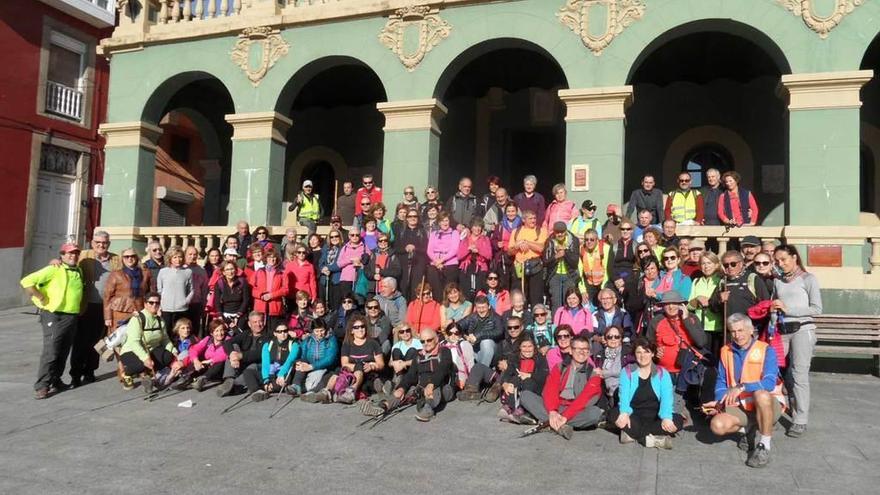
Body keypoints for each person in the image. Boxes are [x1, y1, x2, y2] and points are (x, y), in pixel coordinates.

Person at [704, 314, 786, 467]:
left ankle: (764, 445)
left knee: (760, 394)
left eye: (741, 330)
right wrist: (719, 401)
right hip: (741, 406)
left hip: (767, 403)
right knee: (717, 426)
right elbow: (722, 381)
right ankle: (750, 427)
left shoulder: (766, 350)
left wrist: (742, 387)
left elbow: (768, 383)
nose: (737, 335)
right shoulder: (725, 351)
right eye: (733, 331)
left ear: (750, 330)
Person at [21, 242, 84, 399]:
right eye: (69, 253)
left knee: (63, 349)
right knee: (51, 350)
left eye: (76, 253)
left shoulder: (79, 270)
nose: (73, 256)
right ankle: (42, 385)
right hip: (53, 314)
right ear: (61, 255)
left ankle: (56, 380)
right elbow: (27, 281)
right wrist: (40, 296)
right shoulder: (54, 269)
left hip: (71, 315)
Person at [772, 244, 822, 438]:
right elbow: (777, 307)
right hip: (782, 331)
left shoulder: (808, 279)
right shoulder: (778, 281)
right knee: (775, 371)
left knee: (799, 374)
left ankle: (800, 420)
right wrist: (774, 317)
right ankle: (775, 411)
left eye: (783, 259)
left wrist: (788, 309)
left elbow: (817, 309)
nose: (780, 263)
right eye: (777, 261)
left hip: (803, 330)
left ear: (794, 257)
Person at [520, 335, 604, 440]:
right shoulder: (560, 367)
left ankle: (551, 423)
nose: (582, 352)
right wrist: (552, 411)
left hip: (576, 409)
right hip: (556, 405)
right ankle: (560, 427)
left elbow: (584, 399)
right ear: (570, 351)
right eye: (577, 349)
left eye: (585, 349)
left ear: (589, 352)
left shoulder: (593, 373)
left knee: (595, 413)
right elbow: (550, 390)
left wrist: (565, 416)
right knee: (525, 395)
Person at [608, 337, 683, 449]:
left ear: (653, 353)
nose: (642, 356)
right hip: (633, 416)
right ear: (635, 354)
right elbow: (623, 396)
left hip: (655, 417)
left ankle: (632, 434)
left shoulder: (662, 373)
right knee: (613, 414)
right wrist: (624, 413)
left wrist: (666, 417)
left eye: (646, 352)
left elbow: (667, 399)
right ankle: (650, 440)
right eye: (639, 352)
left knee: (678, 420)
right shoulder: (627, 371)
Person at [68, 231, 119, 387]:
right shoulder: (84, 257)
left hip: (105, 308)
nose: (101, 245)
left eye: (104, 243)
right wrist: (54, 261)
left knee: (98, 341)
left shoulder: (116, 260)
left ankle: (90, 371)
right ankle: (75, 374)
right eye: (98, 242)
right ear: (92, 243)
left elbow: (134, 269)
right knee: (80, 341)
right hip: (86, 306)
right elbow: (67, 262)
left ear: (108, 244)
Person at [381, 328, 454, 422]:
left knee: (433, 389)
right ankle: (385, 406)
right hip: (422, 387)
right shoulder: (418, 354)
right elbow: (411, 375)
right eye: (423, 341)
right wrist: (401, 387)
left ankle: (428, 409)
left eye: (429, 340)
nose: (426, 343)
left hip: (442, 387)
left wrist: (432, 384)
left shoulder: (444, 351)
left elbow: (442, 370)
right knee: (404, 391)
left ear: (436, 339)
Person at [118, 292, 178, 394]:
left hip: (150, 349)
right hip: (131, 350)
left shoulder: (160, 320)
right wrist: (145, 358)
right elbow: (134, 342)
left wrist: (174, 351)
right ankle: (126, 373)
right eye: (151, 302)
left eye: (157, 303)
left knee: (168, 356)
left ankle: (147, 373)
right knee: (141, 365)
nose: (154, 305)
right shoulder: (137, 319)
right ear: (145, 304)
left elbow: (165, 339)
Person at [646, 291, 708, 381]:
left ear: (681, 305)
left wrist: (686, 320)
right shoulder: (656, 321)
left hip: (688, 372)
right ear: (663, 306)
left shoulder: (692, 318)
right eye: (667, 304)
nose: (671, 307)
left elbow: (701, 342)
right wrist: (655, 352)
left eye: (674, 303)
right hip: (663, 373)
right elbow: (648, 344)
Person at [323, 315, 385, 404]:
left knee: (361, 370)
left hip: (367, 374)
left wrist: (372, 367)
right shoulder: (347, 344)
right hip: (350, 373)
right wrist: (357, 367)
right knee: (338, 371)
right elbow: (344, 364)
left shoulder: (373, 343)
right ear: (352, 331)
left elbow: (381, 364)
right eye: (356, 327)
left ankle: (351, 391)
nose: (360, 329)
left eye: (362, 326)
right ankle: (326, 391)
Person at [216, 311, 271, 397]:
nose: (258, 324)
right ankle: (229, 379)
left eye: (260, 321)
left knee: (251, 368)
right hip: (241, 362)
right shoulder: (246, 333)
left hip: (258, 364)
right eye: (255, 322)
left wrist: (241, 356)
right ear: (249, 324)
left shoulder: (269, 336)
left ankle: (234, 385)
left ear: (264, 322)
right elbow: (227, 342)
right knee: (233, 347)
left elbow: (260, 353)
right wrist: (232, 354)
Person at [498, 338, 550, 424]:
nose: (527, 349)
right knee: (514, 380)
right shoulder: (515, 358)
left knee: (527, 381)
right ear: (520, 348)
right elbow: (507, 373)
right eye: (524, 346)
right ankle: (510, 407)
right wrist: (505, 383)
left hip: (535, 388)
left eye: (530, 346)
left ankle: (522, 409)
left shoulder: (540, 358)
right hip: (518, 385)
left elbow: (545, 375)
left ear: (534, 347)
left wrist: (530, 375)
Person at [103, 247, 152, 337]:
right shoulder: (116, 274)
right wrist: (108, 317)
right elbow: (107, 297)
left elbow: (151, 293)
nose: (130, 258)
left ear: (137, 257)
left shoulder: (146, 273)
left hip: (139, 311)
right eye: (126, 256)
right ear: (122, 259)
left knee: (137, 337)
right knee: (118, 339)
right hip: (120, 311)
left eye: (133, 256)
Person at [245, 323, 300, 402]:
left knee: (283, 381)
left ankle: (267, 388)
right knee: (248, 372)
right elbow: (265, 363)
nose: (283, 334)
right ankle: (258, 391)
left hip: (284, 372)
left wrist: (281, 374)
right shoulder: (268, 345)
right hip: (270, 372)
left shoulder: (293, 344)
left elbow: (289, 361)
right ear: (275, 333)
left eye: (285, 331)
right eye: (279, 332)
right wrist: (266, 379)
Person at [174, 318, 229, 391]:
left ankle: (202, 379)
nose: (220, 333)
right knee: (196, 357)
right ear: (212, 333)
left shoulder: (228, 340)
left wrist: (209, 361)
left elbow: (223, 355)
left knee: (220, 362)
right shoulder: (208, 339)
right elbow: (194, 349)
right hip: (206, 366)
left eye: (222, 330)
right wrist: (196, 360)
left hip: (219, 369)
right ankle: (188, 380)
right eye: (216, 331)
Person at [710, 250, 770, 317]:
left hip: (750, 325)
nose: (729, 267)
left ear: (741, 264)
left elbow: (765, 303)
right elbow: (713, 308)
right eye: (726, 265)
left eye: (733, 264)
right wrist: (719, 299)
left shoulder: (752, 278)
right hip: (729, 325)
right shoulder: (723, 282)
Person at [508, 210, 547, 306]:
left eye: (534, 218)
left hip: (535, 266)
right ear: (524, 220)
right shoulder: (516, 232)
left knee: (536, 296)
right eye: (530, 218)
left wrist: (526, 242)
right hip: (519, 266)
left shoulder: (541, 231)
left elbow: (541, 248)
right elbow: (510, 252)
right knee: (520, 296)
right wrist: (517, 246)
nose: (533, 220)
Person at [688, 252, 724, 357]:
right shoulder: (696, 281)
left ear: (716, 265)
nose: (706, 266)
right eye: (703, 263)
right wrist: (697, 300)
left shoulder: (721, 281)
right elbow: (689, 305)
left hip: (717, 327)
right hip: (700, 327)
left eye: (709, 263)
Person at [292, 319, 338, 395]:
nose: (319, 334)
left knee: (327, 377)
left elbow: (329, 359)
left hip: (326, 367)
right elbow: (302, 355)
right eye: (317, 331)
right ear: (313, 331)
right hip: (310, 365)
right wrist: (298, 363)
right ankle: (296, 385)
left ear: (325, 329)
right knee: (301, 363)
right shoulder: (308, 340)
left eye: (322, 331)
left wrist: (312, 366)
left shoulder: (331, 340)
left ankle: (313, 392)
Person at [156, 246, 193, 339]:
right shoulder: (163, 272)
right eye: (175, 257)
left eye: (180, 257)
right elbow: (159, 290)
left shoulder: (188, 272)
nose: (178, 260)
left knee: (180, 334)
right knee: (166, 332)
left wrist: (186, 301)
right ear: (170, 258)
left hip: (182, 309)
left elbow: (191, 289)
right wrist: (159, 307)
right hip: (166, 309)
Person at [544, 221, 580, 311]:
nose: (560, 234)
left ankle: (568, 323)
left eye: (562, 232)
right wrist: (556, 256)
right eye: (557, 232)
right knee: (556, 303)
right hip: (554, 275)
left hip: (569, 275)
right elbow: (545, 261)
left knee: (569, 302)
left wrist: (565, 253)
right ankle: (556, 324)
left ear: (566, 231)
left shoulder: (573, 240)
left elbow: (575, 262)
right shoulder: (549, 241)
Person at [457, 295, 504, 366]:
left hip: (492, 352)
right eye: (479, 308)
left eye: (483, 307)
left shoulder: (496, 318)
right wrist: (466, 337)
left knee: (486, 342)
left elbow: (499, 332)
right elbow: (458, 326)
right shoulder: (472, 317)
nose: (481, 310)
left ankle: (482, 372)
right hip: (475, 351)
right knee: (462, 344)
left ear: (489, 306)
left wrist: (478, 336)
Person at [394, 208, 428, 302]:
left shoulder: (422, 231)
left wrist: (415, 248)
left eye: (415, 216)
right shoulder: (401, 231)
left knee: (415, 289)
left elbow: (426, 248)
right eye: (410, 216)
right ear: (407, 218)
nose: (412, 218)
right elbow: (396, 248)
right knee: (403, 288)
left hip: (418, 264)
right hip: (403, 264)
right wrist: (405, 249)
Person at [252, 249, 288, 333]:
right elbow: (253, 288)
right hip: (260, 306)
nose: (272, 259)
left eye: (274, 257)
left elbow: (285, 290)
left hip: (274, 306)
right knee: (260, 331)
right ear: (266, 259)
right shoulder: (259, 272)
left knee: (273, 331)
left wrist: (272, 295)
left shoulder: (282, 273)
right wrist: (261, 295)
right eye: (269, 257)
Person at [426, 212, 461, 299]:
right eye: (442, 221)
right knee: (433, 278)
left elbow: (454, 249)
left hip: (450, 263)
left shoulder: (455, 233)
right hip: (435, 263)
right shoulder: (434, 234)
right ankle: (438, 303)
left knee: (449, 287)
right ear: (439, 222)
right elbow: (429, 250)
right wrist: (437, 262)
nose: (445, 223)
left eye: (446, 220)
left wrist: (442, 260)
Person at [594, 325, 629, 408]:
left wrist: (604, 373)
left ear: (621, 339)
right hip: (606, 393)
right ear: (605, 339)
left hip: (623, 392)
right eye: (610, 337)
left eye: (617, 337)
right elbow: (596, 372)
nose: (613, 339)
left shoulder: (627, 353)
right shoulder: (600, 354)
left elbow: (626, 372)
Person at [457, 218, 492, 299]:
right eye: (475, 226)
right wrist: (468, 250)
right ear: (471, 227)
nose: (477, 229)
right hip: (466, 268)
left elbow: (489, 255)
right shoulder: (465, 239)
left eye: (479, 226)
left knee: (479, 292)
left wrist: (478, 251)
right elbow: (459, 256)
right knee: (466, 293)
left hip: (480, 268)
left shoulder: (485, 239)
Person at [212, 261, 251, 331]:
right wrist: (220, 317)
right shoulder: (219, 284)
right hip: (225, 315)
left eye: (232, 269)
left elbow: (246, 300)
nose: (230, 272)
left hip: (240, 314)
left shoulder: (242, 282)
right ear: (223, 272)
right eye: (227, 269)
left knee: (239, 333)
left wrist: (238, 316)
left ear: (236, 270)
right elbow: (217, 302)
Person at [491, 202, 521, 289]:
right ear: (505, 212)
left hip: (517, 257)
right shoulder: (500, 225)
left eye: (513, 211)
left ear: (516, 212)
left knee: (516, 283)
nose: (511, 213)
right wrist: (497, 244)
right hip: (503, 257)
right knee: (504, 283)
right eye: (508, 211)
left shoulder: (521, 225)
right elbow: (493, 240)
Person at [577, 228, 610, 306]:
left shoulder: (605, 248)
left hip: (603, 282)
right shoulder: (581, 249)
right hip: (589, 282)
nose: (589, 242)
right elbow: (579, 272)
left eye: (592, 239)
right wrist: (583, 291)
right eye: (586, 239)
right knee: (586, 306)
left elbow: (607, 271)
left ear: (597, 240)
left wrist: (603, 288)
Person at [365, 232, 401, 296]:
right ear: (377, 242)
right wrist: (373, 276)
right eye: (380, 240)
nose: (383, 242)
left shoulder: (393, 255)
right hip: (373, 289)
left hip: (387, 290)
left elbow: (397, 272)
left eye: (385, 240)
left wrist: (382, 272)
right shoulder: (373, 254)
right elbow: (367, 270)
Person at [441, 322, 475, 390]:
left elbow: (470, 363)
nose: (453, 335)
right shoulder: (442, 344)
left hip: (459, 376)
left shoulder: (464, 344)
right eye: (450, 333)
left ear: (460, 334)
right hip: (443, 374)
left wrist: (470, 381)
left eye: (456, 333)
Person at [336, 228, 368, 301]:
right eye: (352, 235)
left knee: (359, 301)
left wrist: (361, 263)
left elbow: (369, 261)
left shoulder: (365, 247)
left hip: (359, 279)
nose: (355, 237)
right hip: (346, 279)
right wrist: (350, 260)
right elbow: (339, 264)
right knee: (346, 301)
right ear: (349, 236)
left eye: (357, 235)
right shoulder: (345, 248)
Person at [184, 246, 209, 338]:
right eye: (190, 254)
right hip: (182, 304)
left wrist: (203, 305)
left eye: (195, 254)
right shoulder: (181, 269)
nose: (192, 256)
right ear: (185, 255)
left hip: (196, 304)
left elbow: (205, 290)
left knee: (194, 329)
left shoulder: (201, 271)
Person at [318, 229, 344, 309]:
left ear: (340, 237)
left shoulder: (343, 248)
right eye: (331, 237)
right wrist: (323, 269)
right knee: (324, 305)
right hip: (325, 279)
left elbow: (341, 263)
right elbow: (321, 262)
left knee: (335, 305)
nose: (334, 238)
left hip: (336, 280)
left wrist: (328, 268)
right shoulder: (326, 248)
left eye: (336, 236)